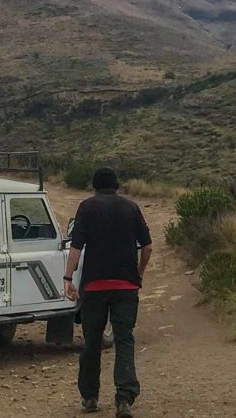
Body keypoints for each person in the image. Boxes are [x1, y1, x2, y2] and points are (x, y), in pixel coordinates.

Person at [63, 167, 153, 418]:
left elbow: (75, 248)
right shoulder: (131, 208)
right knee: (124, 340)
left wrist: (68, 278)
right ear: (117, 186)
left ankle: (90, 397)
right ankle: (124, 398)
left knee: (92, 341)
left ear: (95, 186)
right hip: (126, 286)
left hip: (94, 287)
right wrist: (139, 273)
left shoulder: (86, 208)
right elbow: (147, 247)